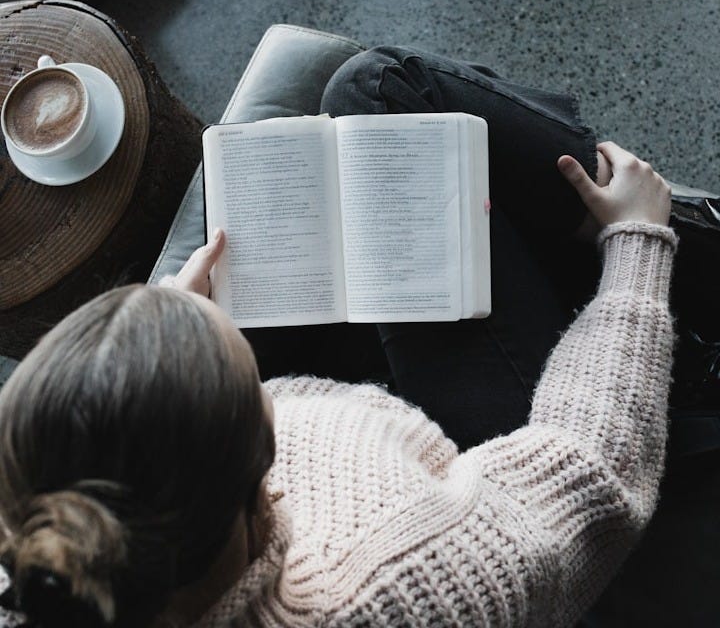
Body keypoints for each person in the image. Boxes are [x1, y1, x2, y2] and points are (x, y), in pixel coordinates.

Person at [0, 47, 677, 628]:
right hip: (459, 470)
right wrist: (637, 247)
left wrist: (161, 335)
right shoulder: (399, 587)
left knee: (356, 114)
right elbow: (594, 469)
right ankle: (646, 210)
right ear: (261, 462)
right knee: (378, 87)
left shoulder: (34, 569)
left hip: (323, 440)